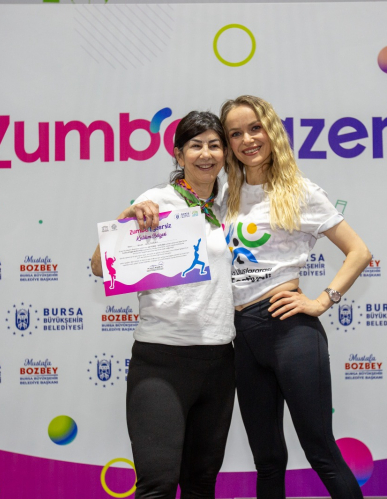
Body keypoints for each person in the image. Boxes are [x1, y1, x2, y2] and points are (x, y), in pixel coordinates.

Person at [220, 95, 371, 498]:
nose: (248, 140)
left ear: (272, 131)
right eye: (235, 133)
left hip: (290, 331)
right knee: (267, 461)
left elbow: (359, 252)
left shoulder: (300, 191)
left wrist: (322, 300)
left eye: (255, 128)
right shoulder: (225, 196)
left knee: (320, 451)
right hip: (242, 338)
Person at [91, 111, 235, 498]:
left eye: (215, 145)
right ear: (178, 154)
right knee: (158, 484)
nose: (206, 154)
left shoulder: (232, 202)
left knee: (201, 484)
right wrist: (124, 221)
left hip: (220, 361)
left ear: (225, 153)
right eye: (195, 145)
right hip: (162, 359)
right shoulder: (156, 200)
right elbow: (100, 267)